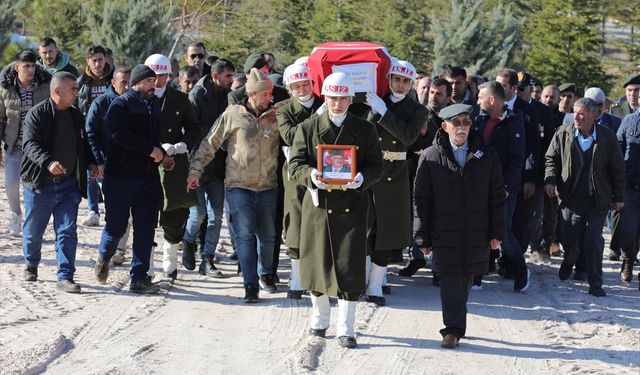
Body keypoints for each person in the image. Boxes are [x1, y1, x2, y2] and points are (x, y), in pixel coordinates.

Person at [288, 72, 383, 349]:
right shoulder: (308, 128)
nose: (337, 103)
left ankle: (346, 327)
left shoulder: (366, 130)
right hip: (319, 207)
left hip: (352, 207)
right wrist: (312, 176)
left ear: (351, 99)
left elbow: (376, 166)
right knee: (316, 263)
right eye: (332, 97)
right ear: (324, 97)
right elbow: (295, 164)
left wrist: (363, 178)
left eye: (343, 98)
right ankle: (319, 319)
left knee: (349, 266)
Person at [414, 103, 505, 349]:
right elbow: (421, 200)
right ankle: (452, 329)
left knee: (466, 277)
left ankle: (457, 317)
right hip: (444, 230)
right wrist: (422, 237)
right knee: (451, 278)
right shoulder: (430, 156)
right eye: (456, 123)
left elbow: (497, 196)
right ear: (445, 127)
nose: (462, 128)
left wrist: (497, 232)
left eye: (466, 122)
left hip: (477, 229)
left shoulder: (487, 155)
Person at [187, 68, 280, 302]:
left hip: (268, 186)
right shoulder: (233, 114)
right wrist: (195, 170)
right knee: (245, 236)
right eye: (266, 94)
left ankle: (265, 274)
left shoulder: (276, 116)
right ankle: (250, 285)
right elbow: (210, 143)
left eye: (271, 93)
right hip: (239, 187)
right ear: (252, 94)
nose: (271, 97)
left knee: (268, 237)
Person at [94, 64, 172, 294]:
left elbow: (154, 137)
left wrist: (163, 156)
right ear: (134, 84)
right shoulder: (121, 104)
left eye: (155, 81)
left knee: (146, 228)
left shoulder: (154, 105)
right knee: (116, 227)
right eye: (148, 82)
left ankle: (138, 277)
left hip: (147, 178)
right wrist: (150, 150)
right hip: (120, 178)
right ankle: (104, 256)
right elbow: (117, 134)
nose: (153, 86)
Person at [21, 71, 98, 293]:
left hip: (68, 185)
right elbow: (30, 145)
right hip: (40, 184)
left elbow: (83, 144)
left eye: (77, 88)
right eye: (73, 89)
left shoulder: (76, 115)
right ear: (57, 91)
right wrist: (48, 162)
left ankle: (65, 276)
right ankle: (31, 264)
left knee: (67, 231)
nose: (77, 92)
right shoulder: (37, 115)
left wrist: (92, 163)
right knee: (34, 231)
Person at [545, 98, 625, 297]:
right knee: (570, 239)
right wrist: (550, 180)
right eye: (575, 112)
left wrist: (619, 196)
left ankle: (595, 284)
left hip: (597, 199)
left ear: (594, 115)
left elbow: (617, 168)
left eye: (581, 114)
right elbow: (551, 159)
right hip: (570, 197)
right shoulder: (563, 133)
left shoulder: (607, 137)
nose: (576, 117)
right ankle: (569, 260)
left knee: (593, 240)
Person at [365, 59, 427, 306]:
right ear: (388, 80)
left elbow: (409, 137)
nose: (400, 85)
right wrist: (373, 110)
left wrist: (384, 113)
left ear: (411, 83)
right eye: (396, 80)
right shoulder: (374, 101)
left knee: (386, 231)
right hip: (372, 168)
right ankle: (364, 278)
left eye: (405, 81)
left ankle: (375, 284)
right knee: (366, 226)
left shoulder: (417, 110)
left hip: (396, 172)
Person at [144, 54, 200, 280]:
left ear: (170, 75)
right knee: (145, 215)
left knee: (175, 214)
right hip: (145, 163)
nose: (158, 80)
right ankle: (145, 265)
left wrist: (182, 145)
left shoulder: (179, 98)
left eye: (163, 75)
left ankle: (170, 263)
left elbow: (194, 129)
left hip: (174, 164)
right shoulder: (137, 98)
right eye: (154, 76)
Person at [474, 80, 529, 292]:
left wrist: (506, 187)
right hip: (480, 187)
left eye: (480, 97)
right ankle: (477, 275)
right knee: (479, 229)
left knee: (502, 232)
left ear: (491, 99)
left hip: (504, 189)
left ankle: (520, 269)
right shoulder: (478, 120)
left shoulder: (514, 122)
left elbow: (517, 160)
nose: (477, 100)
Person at [184, 58, 235, 277]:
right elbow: (191, 129)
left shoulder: (228, 96)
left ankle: (207, 258)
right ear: (216, 76)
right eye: (228, 76)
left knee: (216, 216)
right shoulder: (197, 94)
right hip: (198, 163)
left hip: (219, 165)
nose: (231, 80)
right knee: (198, 213)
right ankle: (188, 241)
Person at [276, 63, 323, 299]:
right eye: (296, 86)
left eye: (306, 84)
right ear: (289, 88)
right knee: (294, 221)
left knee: (320, 224)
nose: (302, 89)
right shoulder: (283, 109)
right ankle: (296, 278)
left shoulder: (327, 103)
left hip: (324, 171)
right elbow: (292, 136)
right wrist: (320, 118)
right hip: (295, 173)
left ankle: (317, 277)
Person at [400, 78, 452, 278]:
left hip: (442, 175)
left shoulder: (452, 118)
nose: (433, 96)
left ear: (448, 97)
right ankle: (416, 257)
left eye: (439, 93)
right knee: (417, 217)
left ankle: (438, 267)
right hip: (416, 173)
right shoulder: (418, 114)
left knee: (440, 220)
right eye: (431, 92)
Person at [0, 51, 52, 235]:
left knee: (36, 187)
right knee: (12, 184)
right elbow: (1, 117)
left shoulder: (45, 86)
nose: (30, 70)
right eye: (26, 66)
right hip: (14, 145)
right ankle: (16, 214)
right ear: (17, 67)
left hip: (37, 147)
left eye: (32, 66)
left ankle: (33, 223)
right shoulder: (6, 88)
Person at [85, 66, 131, 266]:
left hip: (131, 167)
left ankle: (120, 249)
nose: (128, 86)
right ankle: (107, 250)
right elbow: (90, 133)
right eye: (123, 82)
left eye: (131, 82)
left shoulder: (135, 102)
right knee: (115, 212)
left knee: (128, 211)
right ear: (113, 83)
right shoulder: (101, 103)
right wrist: (98, 161)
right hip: (108, 167)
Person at [78, 45, 114, 227]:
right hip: (89, 133)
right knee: (91, 172)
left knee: (109, 174)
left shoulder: (113, 80)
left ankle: (111, 208)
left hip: (111, 134)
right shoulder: (82, 82)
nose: (98, 64)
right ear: (88, 62)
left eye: (101, 59)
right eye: (94, 60)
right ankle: (93, 211)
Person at [617, 108, 640, 285]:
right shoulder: (629, 120)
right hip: (630, 187)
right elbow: (618, 148)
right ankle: (628, 260)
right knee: (628, 231)